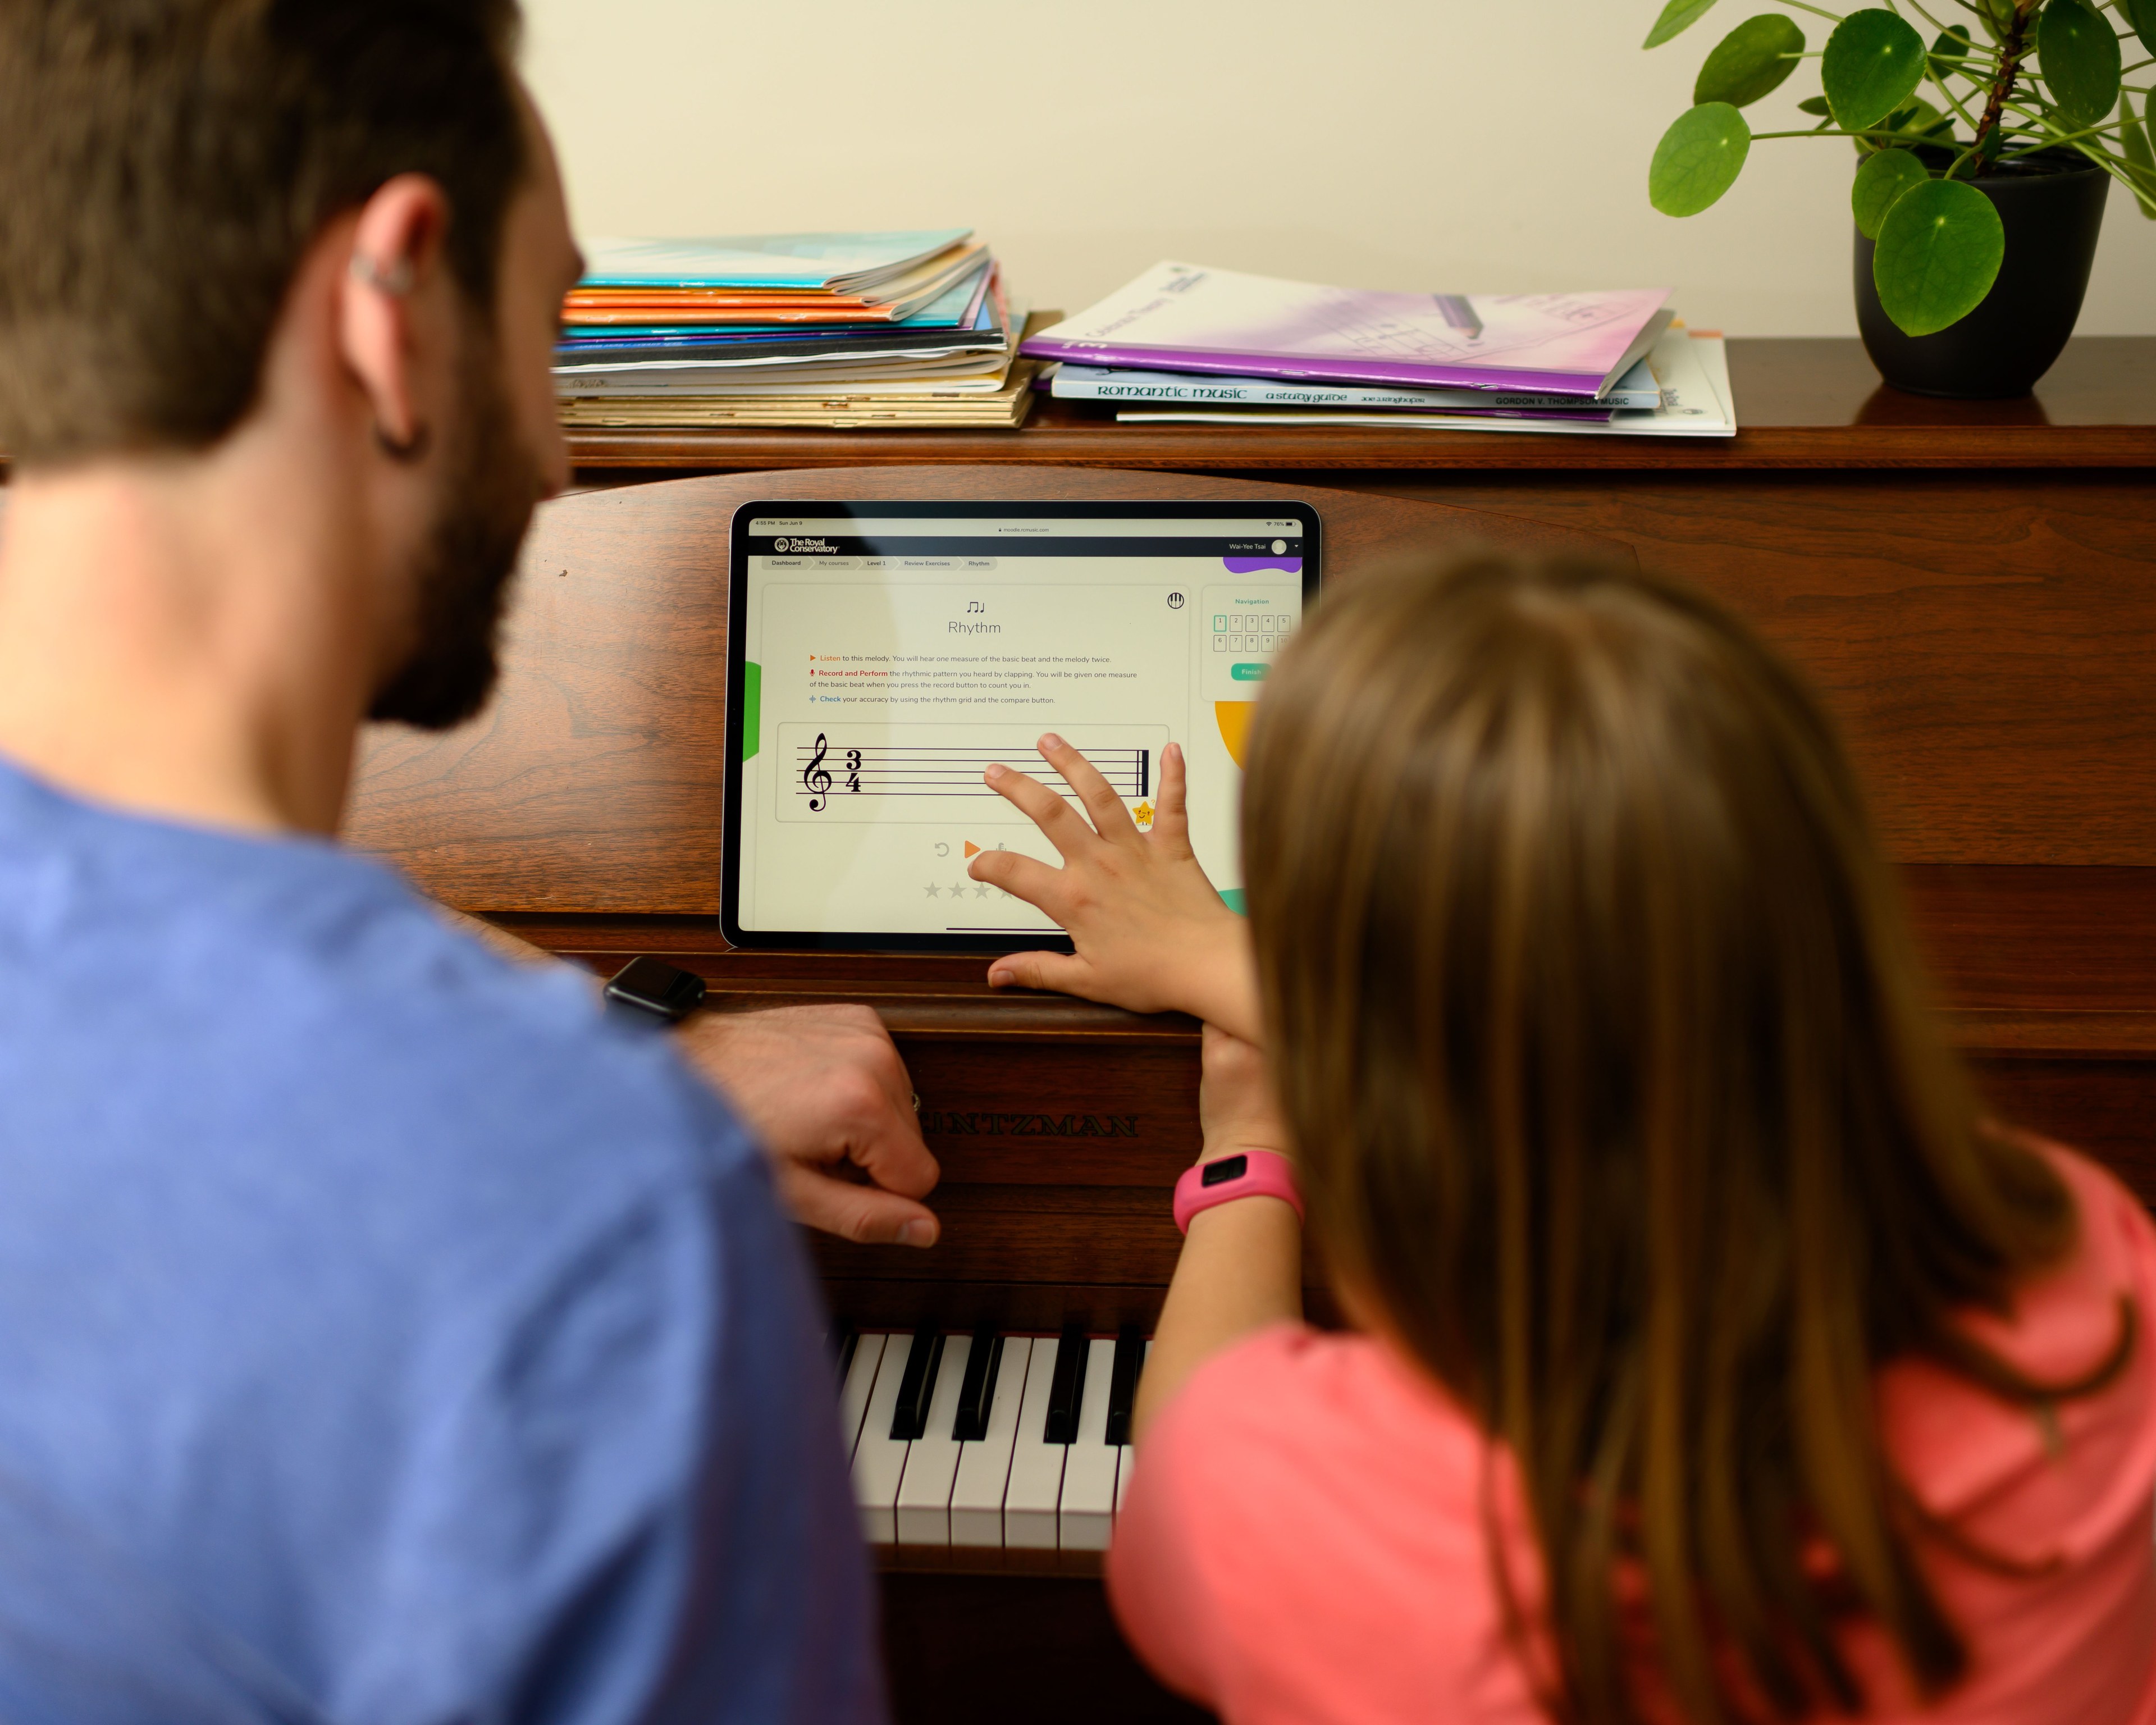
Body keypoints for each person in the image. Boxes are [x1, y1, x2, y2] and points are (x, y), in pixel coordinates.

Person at [0, 2, 940, 1717]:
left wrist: (635, 1039)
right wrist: (602, 1096)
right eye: (551, 324)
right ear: (394, 301)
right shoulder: (598, 1212)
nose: (564, 458)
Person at [967, 554, 2156, 1724]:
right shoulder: (2100, 1271)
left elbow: (1189, 1446)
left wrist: (1249, 1152)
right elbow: (1652, 1046)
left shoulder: (1300, 1519)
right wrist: (1251, 973)